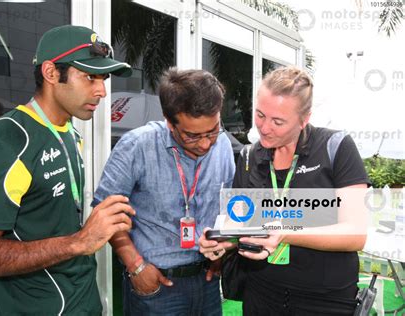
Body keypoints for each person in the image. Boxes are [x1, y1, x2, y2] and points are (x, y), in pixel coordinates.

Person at [0, 25, 136, 315]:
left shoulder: (68, 131)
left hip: (83, 304)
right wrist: (80, 241)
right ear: (51, 73)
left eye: (103, 78)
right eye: (90, 77)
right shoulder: (4, 140)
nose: (102, 91)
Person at [199, 66, 370, 315]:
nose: (264, 128)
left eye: (278, 121)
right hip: (262, 294)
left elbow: (355, 234)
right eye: (260, 115)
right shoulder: (248, 157)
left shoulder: (336, 147)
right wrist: (220, 242)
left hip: (325, 300)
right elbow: (239, 223)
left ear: (304, 119)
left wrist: (285, 233)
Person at [93, 68, 235, 315]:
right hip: (156, 285)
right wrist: (136, 266)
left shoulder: (222, 145)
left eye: (212, 131)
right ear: (170, 122)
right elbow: (103, 211)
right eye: (192, 136)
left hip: (208, 280)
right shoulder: (137, 145)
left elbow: (228, 205)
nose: (204, 144)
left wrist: (222, 248)